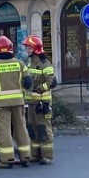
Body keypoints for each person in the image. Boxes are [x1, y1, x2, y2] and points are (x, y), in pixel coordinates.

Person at [0, 35, 33, 168]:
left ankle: (7, 159)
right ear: (11, 49)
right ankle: (25, 156)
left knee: (4, 131)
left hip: (0, 105)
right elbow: (28, 82)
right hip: (18, 103)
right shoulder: (20, 63)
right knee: (21, 128)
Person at [22, 35, 57, 164]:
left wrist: (39, 88)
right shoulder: (30, 64)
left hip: (42, 103)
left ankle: (47, 155)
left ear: (36, 49)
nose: (27, 50)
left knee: (43, 129)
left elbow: (52, 82)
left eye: (29, 48)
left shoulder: (45, 64)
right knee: (32, 129)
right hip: (30, 104)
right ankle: (35, 154)